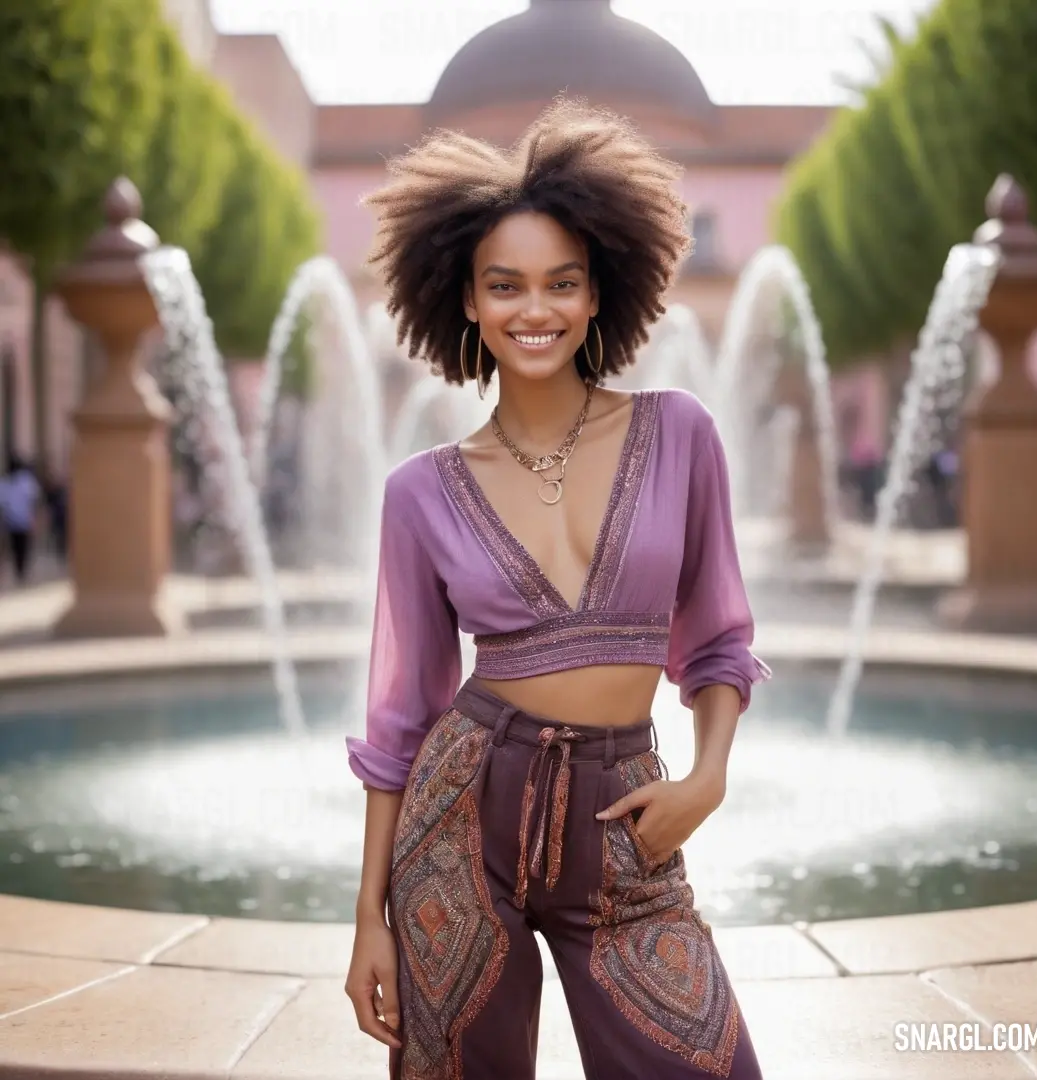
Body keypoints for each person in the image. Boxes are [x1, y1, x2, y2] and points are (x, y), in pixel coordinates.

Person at [344, 98, 770, 1080]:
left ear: (595, 295)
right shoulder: (419, 493)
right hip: (459, 823)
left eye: (559, 284)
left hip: (626, 815)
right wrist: (367, 917)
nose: (533, 310)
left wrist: (706, 778)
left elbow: (716, 643)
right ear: (466, 301)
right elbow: (398, 721)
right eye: (506, 286)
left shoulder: (681, 435)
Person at [0, 454, 41, 584]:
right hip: (22, 520)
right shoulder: (26, 481)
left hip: (13, 521)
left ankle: (19, 568)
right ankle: (21, 569)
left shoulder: (6, 482)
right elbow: (35, 500)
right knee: (22, 546)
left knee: (16, 546)